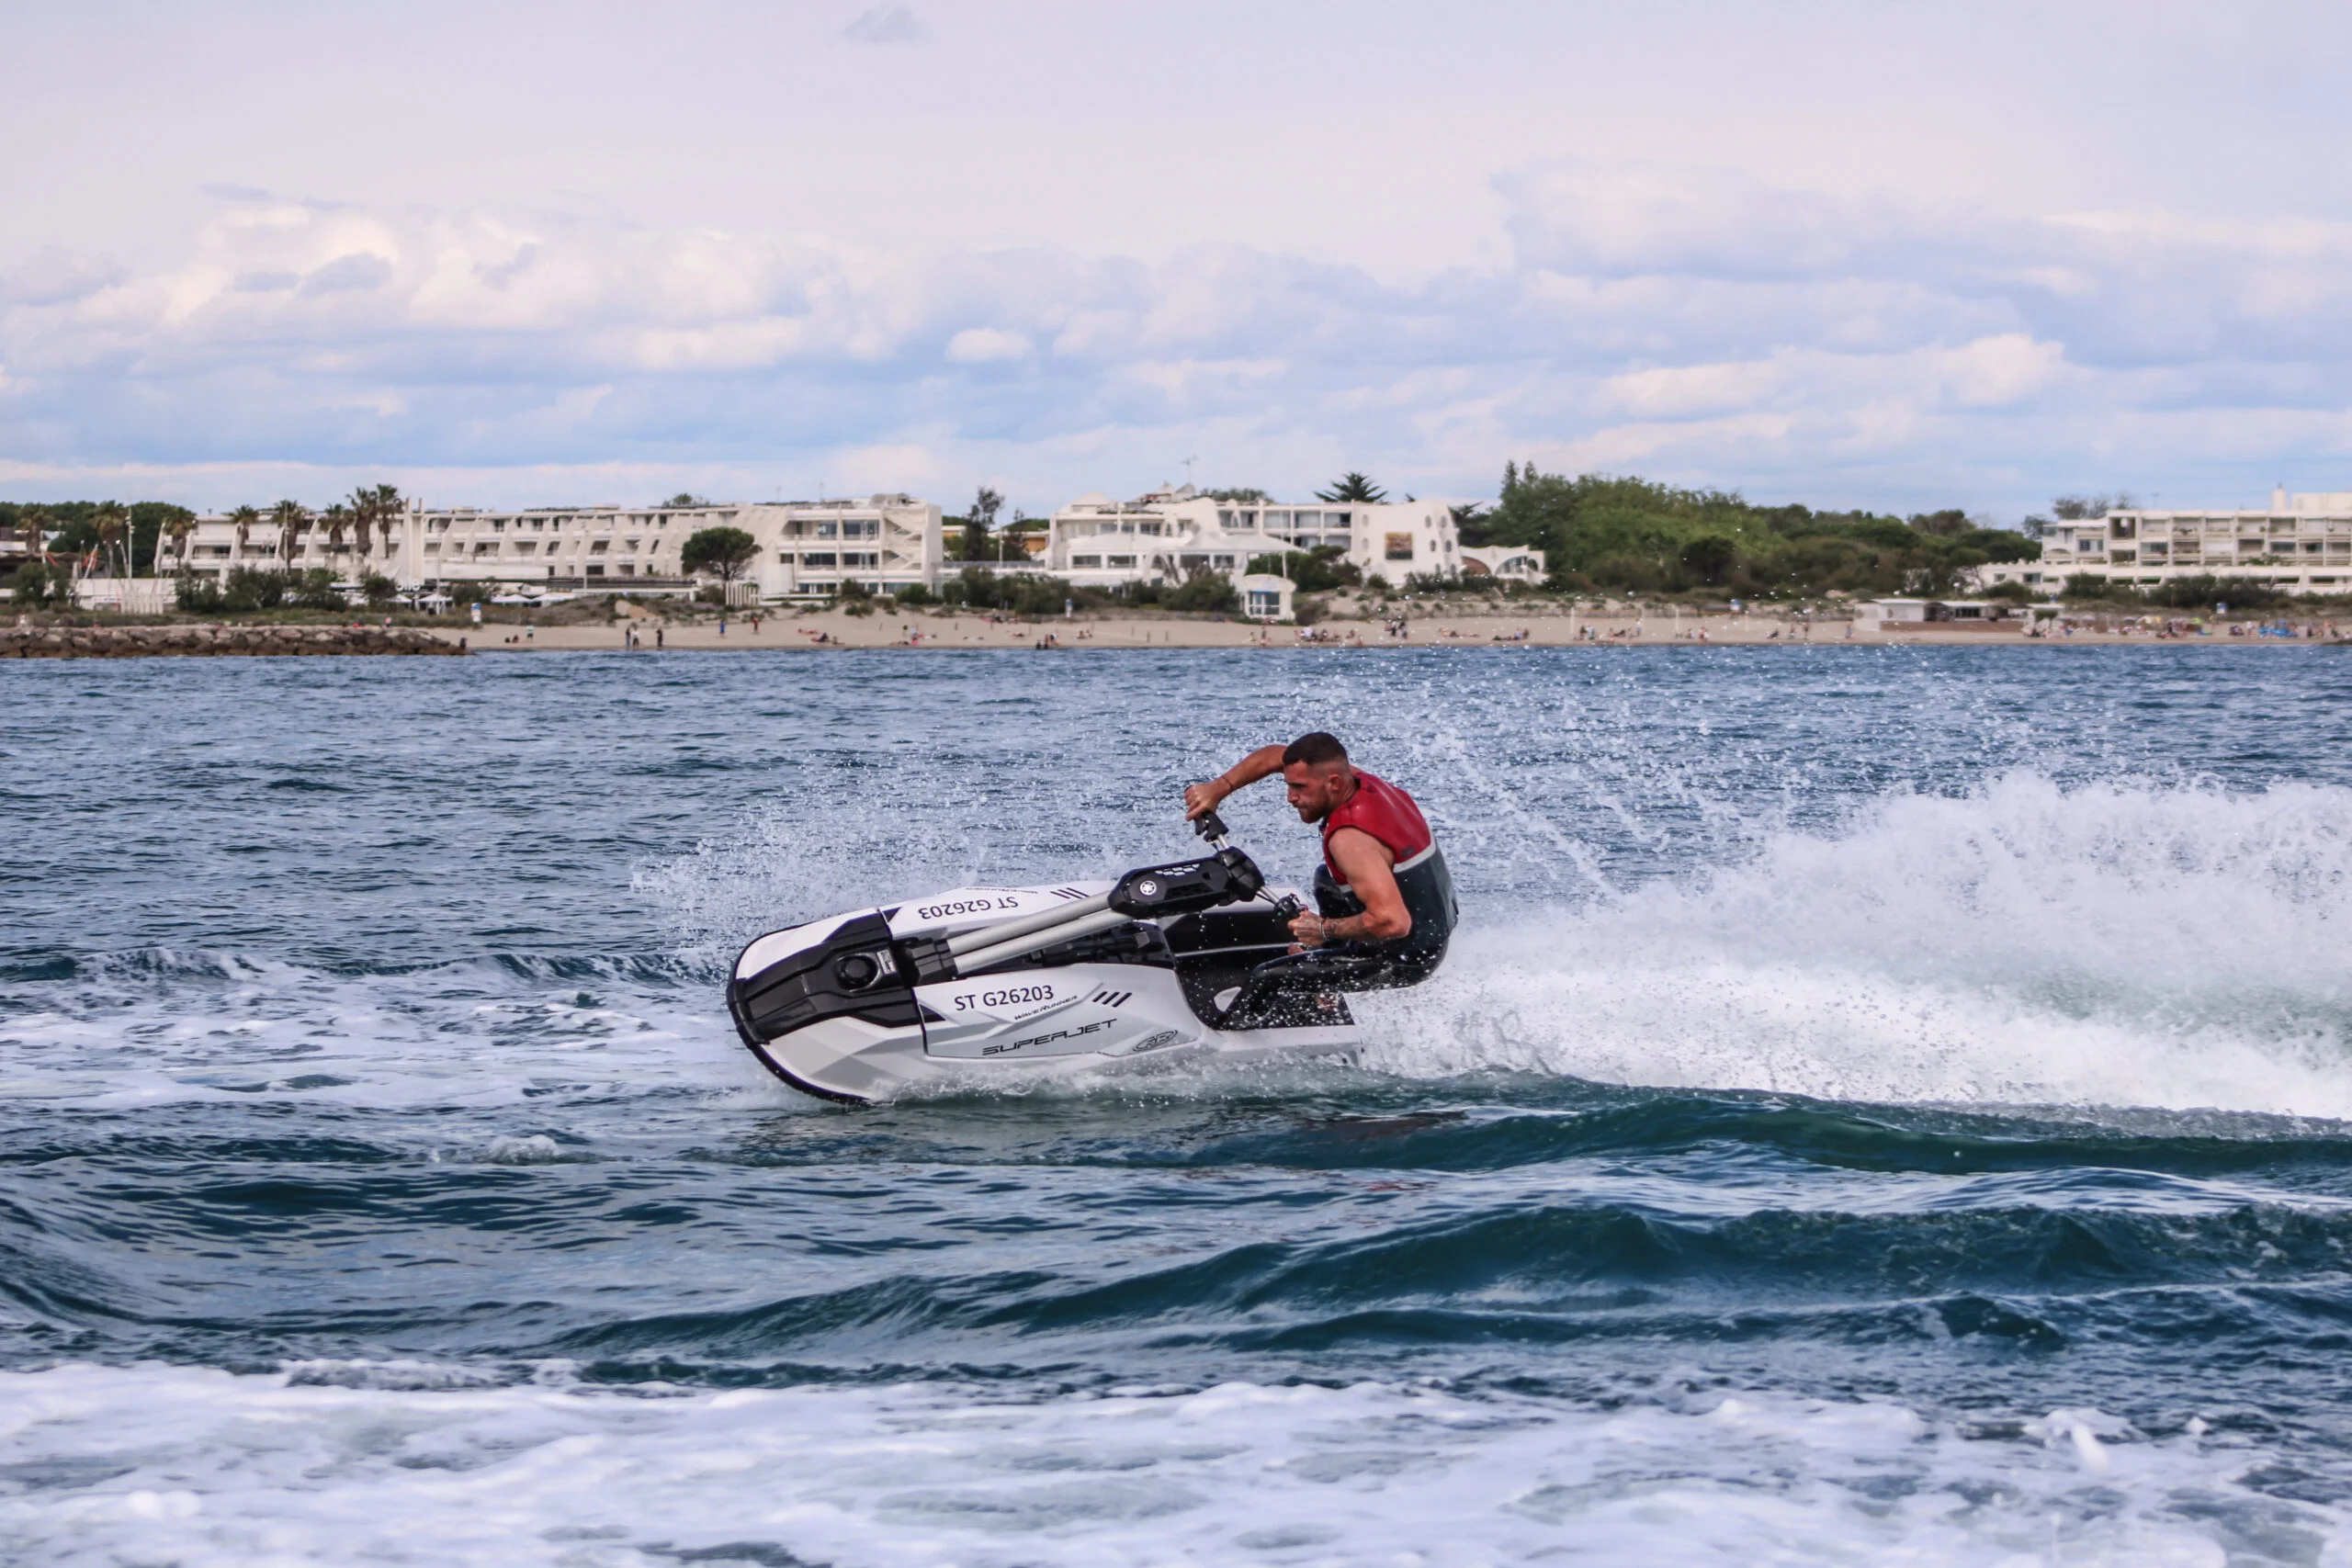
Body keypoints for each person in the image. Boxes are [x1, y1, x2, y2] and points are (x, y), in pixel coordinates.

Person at [1183, 731, 1455, 986]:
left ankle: (1233, 1035)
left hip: (1410, 958)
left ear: (1333, 783)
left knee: (1267, 979)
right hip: (1432, 925)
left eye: (1300, 788)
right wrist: (1219, 788)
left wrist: (1323, 929)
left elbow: (1393, 922)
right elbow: (1276, 755)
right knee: (1326, 878)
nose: (1291, 798)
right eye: (1289, 785)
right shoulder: (1361, 782)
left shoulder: (1349, 837)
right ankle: (1331, 964)